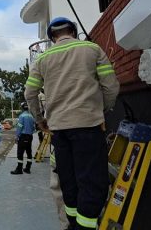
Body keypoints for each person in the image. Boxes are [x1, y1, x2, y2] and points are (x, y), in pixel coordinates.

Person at [25, 17, 119, 230]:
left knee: (68, 179)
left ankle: (73, 224)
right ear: (73, 32)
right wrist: (100, 110)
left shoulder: (42, 59)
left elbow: (30, 93)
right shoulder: (92, 49)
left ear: (51, 37)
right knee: (92, 180)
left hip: (59, 131)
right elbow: (111, 87)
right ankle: (86, 226)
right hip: (89, 126)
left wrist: (40, 120)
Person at [11, 101, 35, 174]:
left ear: (22, 108)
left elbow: (19, 127)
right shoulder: (31, 116)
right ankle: (28, 168)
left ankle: (19, 169)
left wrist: (16, 136)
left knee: (20, 153)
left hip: (23, 137)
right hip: (30, 136)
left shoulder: (21, 116)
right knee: (29, 152)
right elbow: (34, 128)